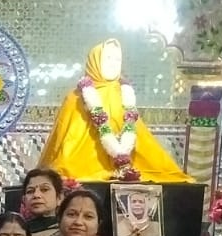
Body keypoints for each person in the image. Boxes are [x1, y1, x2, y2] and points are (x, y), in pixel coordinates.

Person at [38, 40, 192, 183]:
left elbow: (141, 139)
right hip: (82, 170)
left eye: (118, 60)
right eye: (108, 58)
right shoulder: (76, 97)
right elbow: (66, 142)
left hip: (128, 170)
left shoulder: (125, 94)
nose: (113, 64)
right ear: (95, 61)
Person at [20, 168, 65, 236]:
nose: (36, 195)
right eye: (30, 191)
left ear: (59, 198)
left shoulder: (67, 234)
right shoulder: (17, 231)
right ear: (24, 200)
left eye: (44, 189)